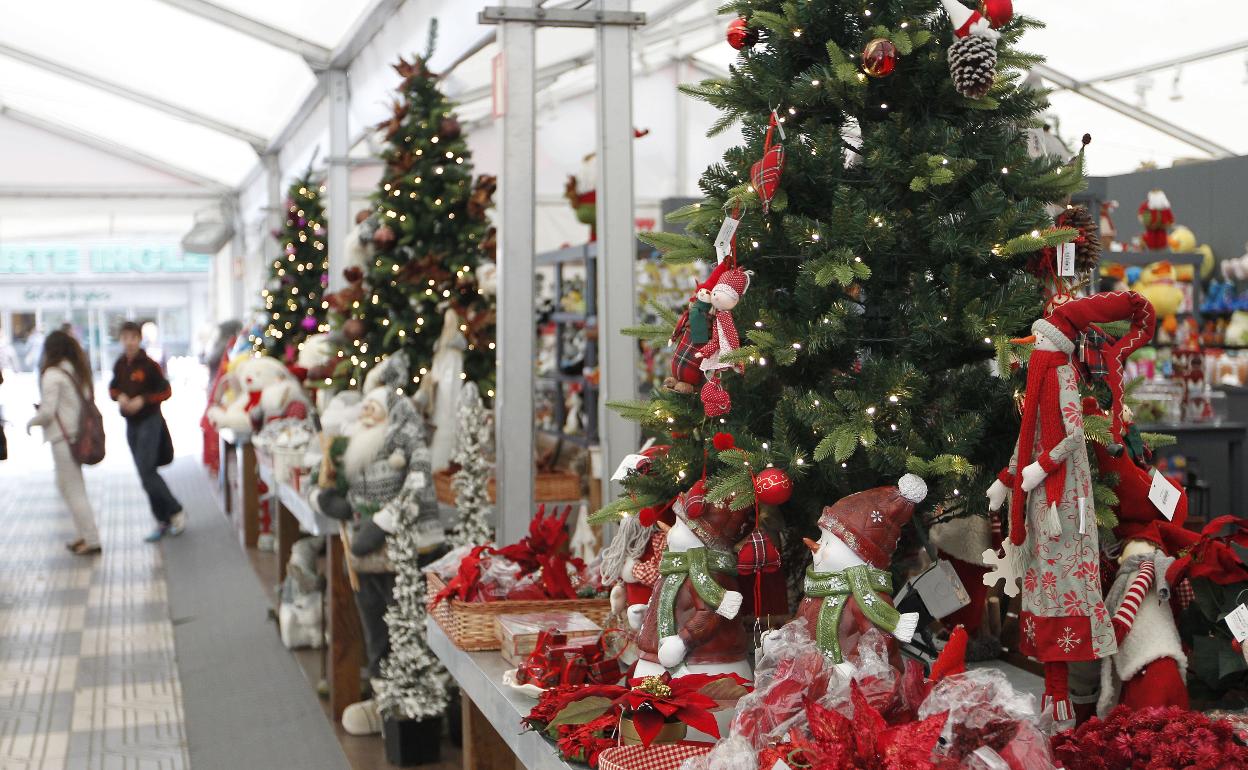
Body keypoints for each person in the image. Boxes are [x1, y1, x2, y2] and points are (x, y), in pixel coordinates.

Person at [26, 331, 101, 555]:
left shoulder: (52, 374)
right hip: (77, 435)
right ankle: (83, 535)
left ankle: (92, 539)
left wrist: (32, 421)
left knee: (74, 489)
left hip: (63, 438)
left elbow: (48, 412)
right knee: (67, 486)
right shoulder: (76, 371)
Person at [110, 321, 183, 542]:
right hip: (131, 424)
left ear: (139, 339)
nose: (129, 342)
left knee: (147, 470)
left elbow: (166, 390)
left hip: (150, 422)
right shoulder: (120, 364)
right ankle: (162, 519)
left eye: (133, 337)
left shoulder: (150, 365)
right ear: (121, 340)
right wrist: (120, 396)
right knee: (144, 474)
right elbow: (113, 388)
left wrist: (143, 399)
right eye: (125, 338)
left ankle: (175, 511)